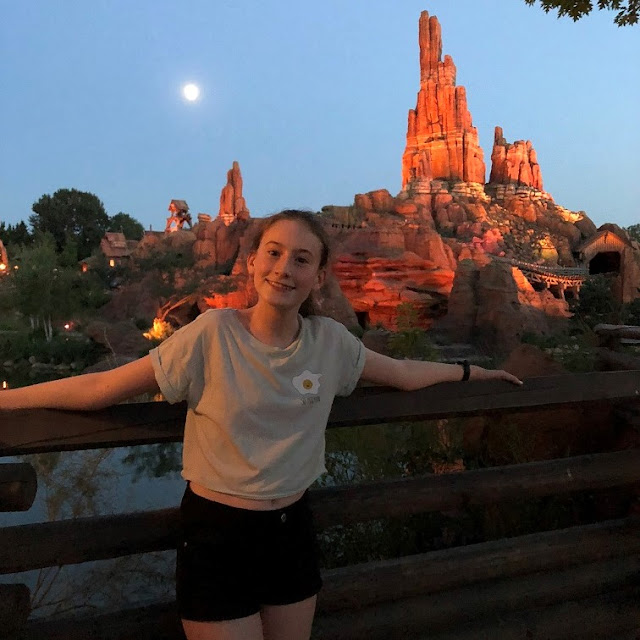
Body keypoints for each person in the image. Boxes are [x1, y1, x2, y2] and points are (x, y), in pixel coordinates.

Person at [0, 210, 522, 640]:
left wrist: (474, 371)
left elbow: (404, 374)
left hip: (290, 530)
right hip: (216, 533)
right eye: (273, 253)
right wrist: (8, 402)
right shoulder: (211, 333)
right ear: (252, 262)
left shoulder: (331, 343)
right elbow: (100, 388)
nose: (284, 269)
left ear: (319, 276)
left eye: (301, 259)